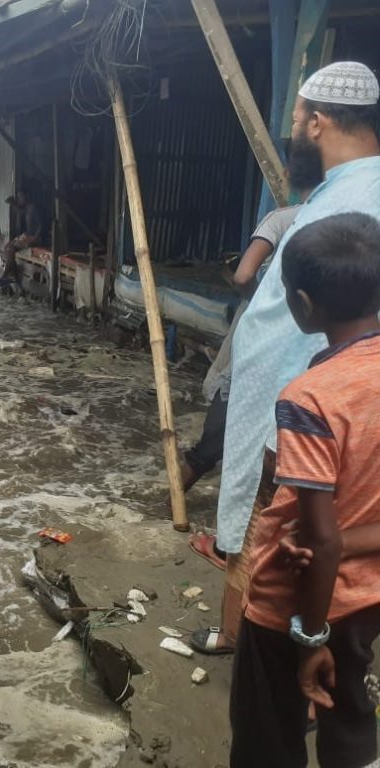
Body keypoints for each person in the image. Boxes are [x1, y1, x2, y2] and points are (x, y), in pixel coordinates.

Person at [196, 61, 380, 656]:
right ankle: (251, 638)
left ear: (318, 122)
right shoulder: (345, 189)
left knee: (280, 534)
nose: (295, 131)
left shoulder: (354, 197)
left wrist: (291, 409)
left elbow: (319, 318)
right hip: (301, 400)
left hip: (299, 407)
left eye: (298, 121)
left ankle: (281, 654)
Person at [229, 212, 380, 768]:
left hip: (294, 599)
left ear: (302, 304)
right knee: (349, 715)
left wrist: (310, 636)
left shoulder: (311, 397)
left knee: (265, 730)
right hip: (367, 599)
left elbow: (319, 540)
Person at [186, 197, 305, 570]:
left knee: (219, 438)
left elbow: (241, 275)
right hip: (300, 357)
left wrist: (264, 304)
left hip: (259, 350)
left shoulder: (284, 218)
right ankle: (249, 543)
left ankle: (223, 543)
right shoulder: (351, 215)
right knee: (272, 451)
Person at [0, 189, 45, 286]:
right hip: (27, 235)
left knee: (11, 249)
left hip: (34, 237)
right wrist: (12, 203)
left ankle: (6, 275)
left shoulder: (33, 208)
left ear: (26, 196)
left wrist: (35, 238)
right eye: (18, 197)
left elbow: (41, 224)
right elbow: (19, 210)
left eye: (20, 197)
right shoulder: (27, 208)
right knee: (7, 247)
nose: (19, 199)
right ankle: (12, 274)